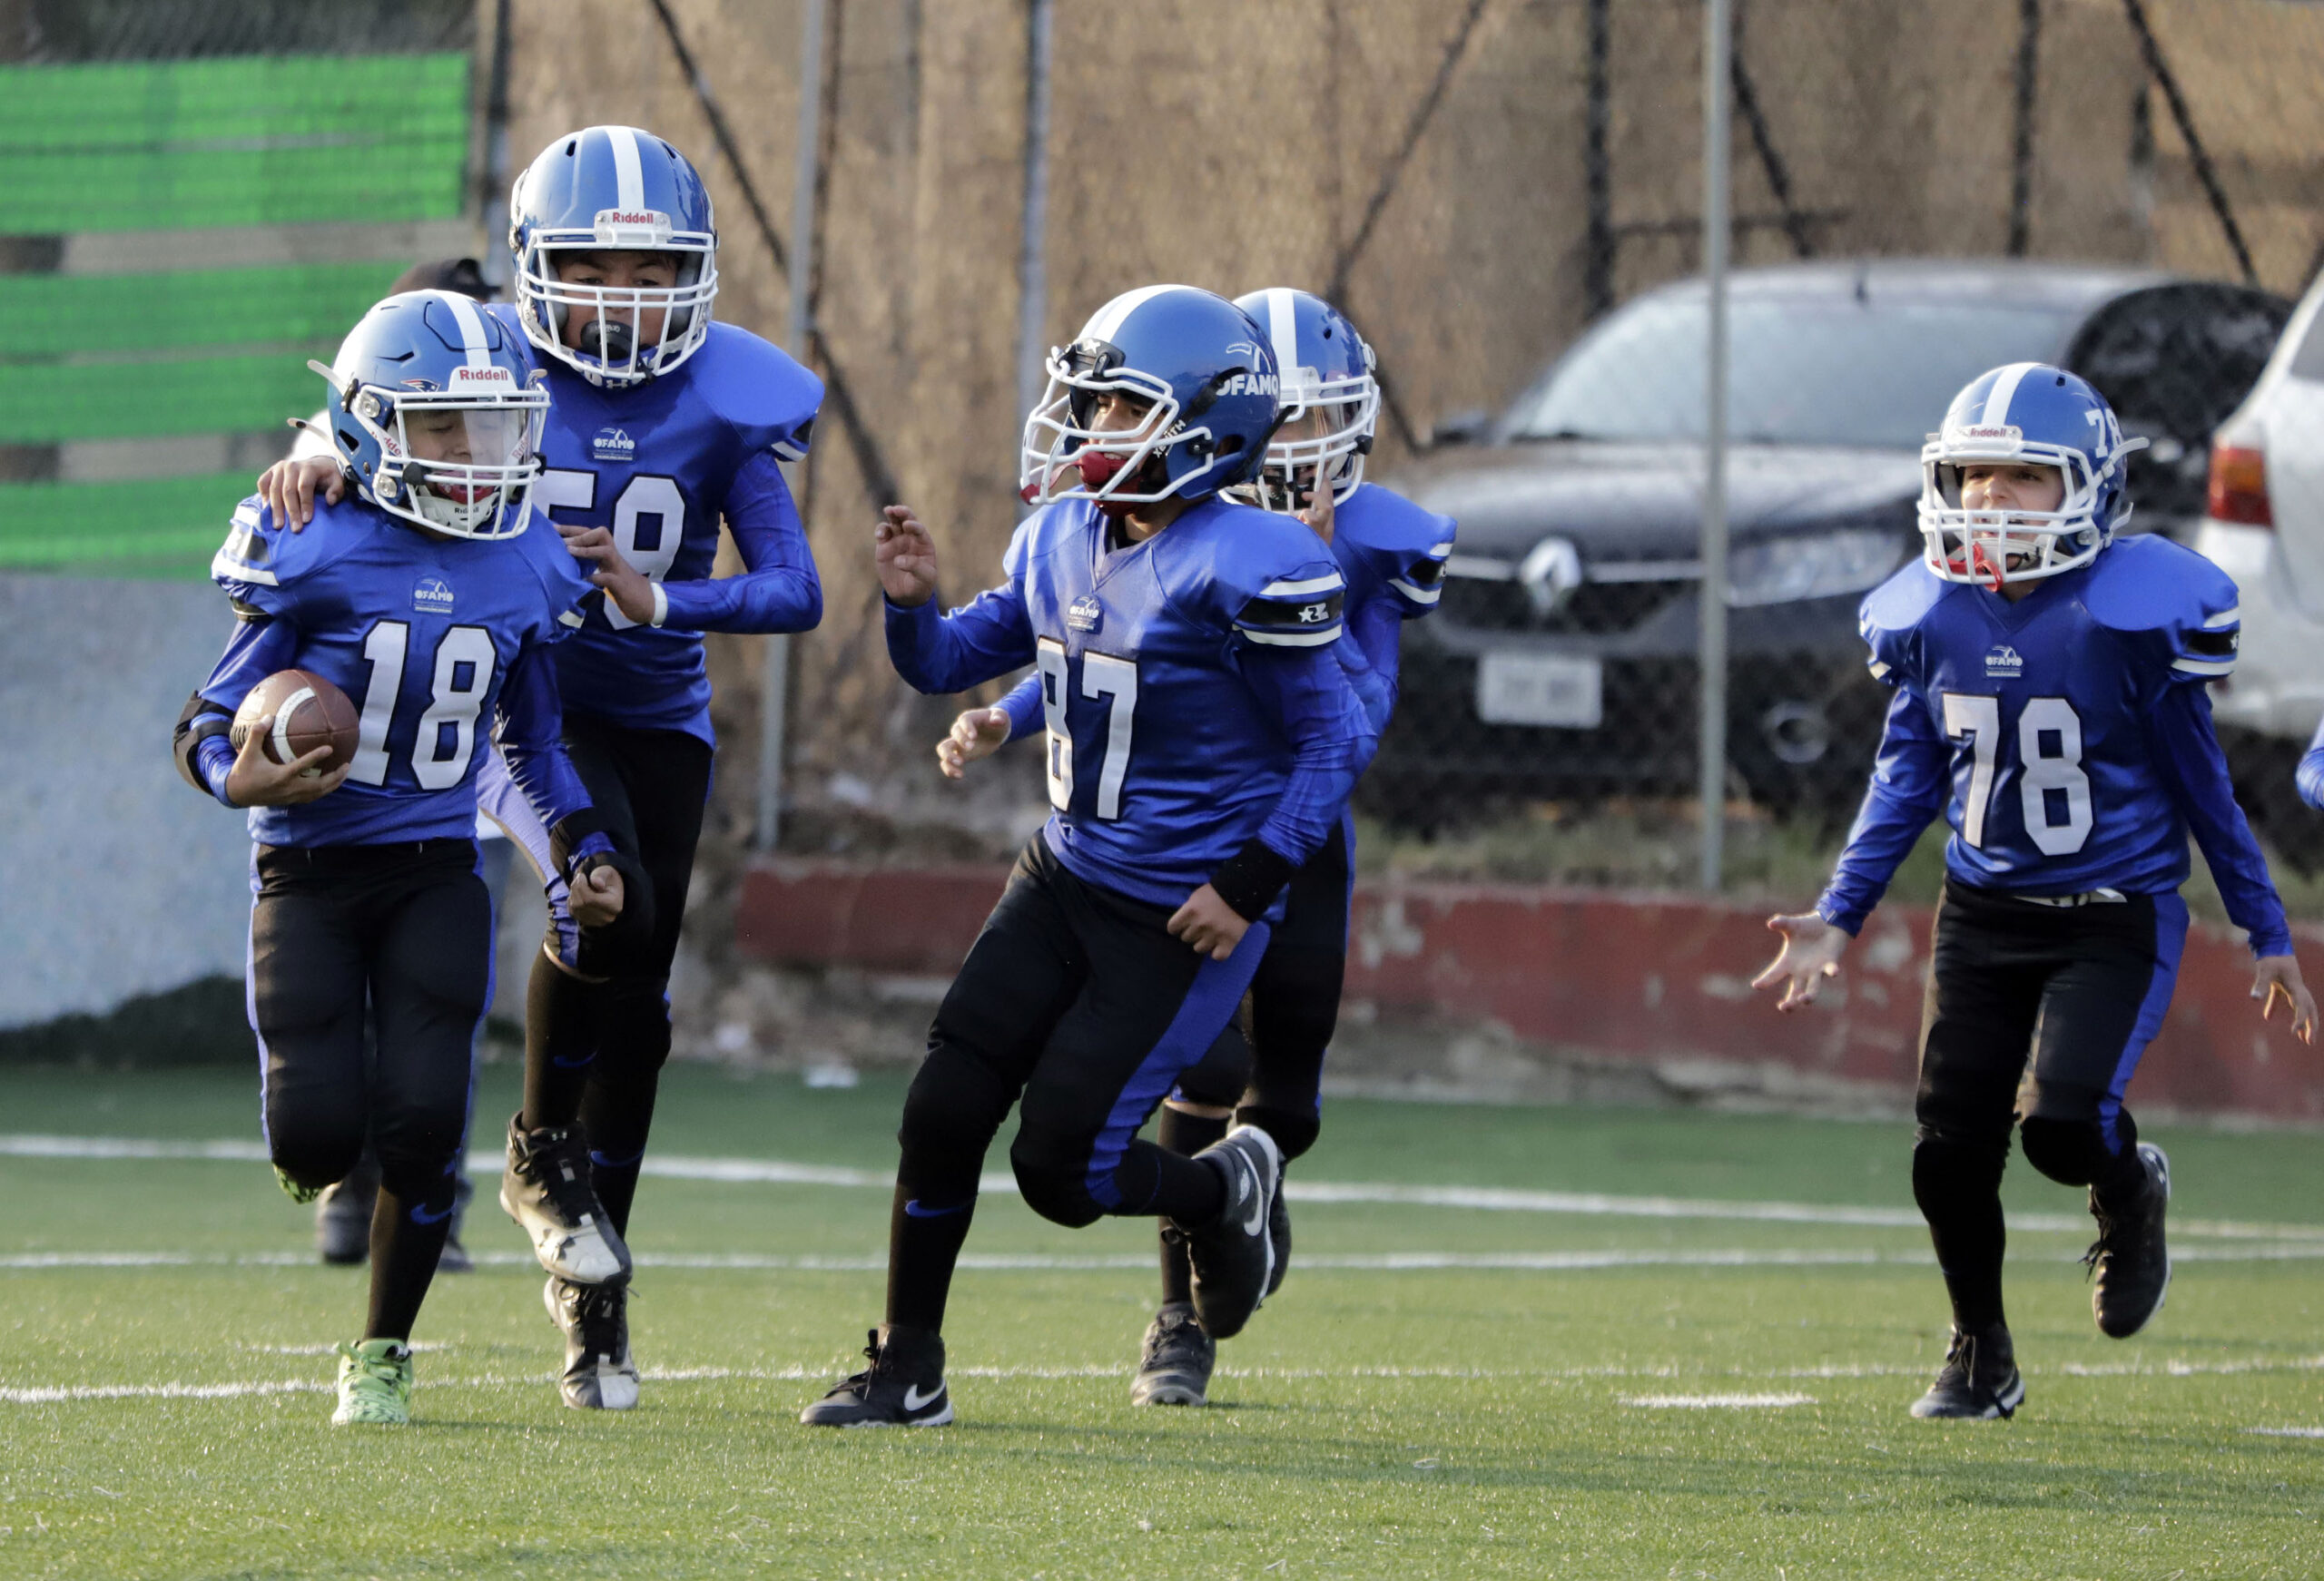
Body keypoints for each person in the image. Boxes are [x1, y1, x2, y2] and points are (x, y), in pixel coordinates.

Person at [255, 125, 825, 1413]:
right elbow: (377, 408)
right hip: (527, 706)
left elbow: (796, 589)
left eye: (648, 268)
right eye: (593, 265)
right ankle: (531, 1156)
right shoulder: (490, 354)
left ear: (696, 271)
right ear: (533, 264)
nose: (622, 296)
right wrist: (320, 447)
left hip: (661, 713)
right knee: (594, 894)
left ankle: (594, 1283)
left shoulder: (729, 398)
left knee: (644, 1009)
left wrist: (658, 595)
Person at [798, 284, 1374, 1428]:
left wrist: (1249, 882)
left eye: (1116, 405)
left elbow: (1335, 737)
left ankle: (1221, 1188)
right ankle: (907, 1364)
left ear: (1204, 426)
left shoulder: (1249, 560)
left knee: (1063, 1174)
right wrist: (910, 609)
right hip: (1062, 876)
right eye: (1090, 400)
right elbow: (956, 655)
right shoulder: (1061, 532)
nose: (1086, 425)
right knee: (942, 1104)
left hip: (1178, 911)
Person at [1752, 362, 2318, 1421]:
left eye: (2024, 479)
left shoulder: (2126, 616)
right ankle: (1980, 1350)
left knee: (2061, 1128)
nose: (1990, 502)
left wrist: (2263, 926)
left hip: (2117, 914)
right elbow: (1904, 776)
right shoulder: (1932, 615)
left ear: (2090, 492)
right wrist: (1838, 913)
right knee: (1945, 1151)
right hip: (1982, 912)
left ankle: (2128, 1183)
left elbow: (2206, 787)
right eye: (1973, 476)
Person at [938, 288, 1454, 1407]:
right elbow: (1099, 655)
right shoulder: (1157, 523)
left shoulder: (1352, 542)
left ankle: (1242, 1200)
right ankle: (1176, 1316)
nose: (1297, 448)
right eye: (1287, 419)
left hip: (1295, 837)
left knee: (1290, 1097)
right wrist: (1011, 715)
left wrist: (1311, 577)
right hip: (1179, 852)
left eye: (1322, 423)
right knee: (1199, 1072)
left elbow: (1352, 727)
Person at [175, 290, 631, 1425]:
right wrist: (240, 775)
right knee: (319, 1133)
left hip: (436, 865)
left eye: (491, 429)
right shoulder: (313, 540)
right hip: (308, 871)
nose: (475, 458)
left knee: (426, 1127)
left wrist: (580, 844)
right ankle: (310, 1150)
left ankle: (382, 1348)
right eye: (441, 430)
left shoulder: (528, 562)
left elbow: (530, 743)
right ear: (371, 428)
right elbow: (203, 718)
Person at [303, 259, 503, 1277]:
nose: (473, 434)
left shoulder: (527, 433)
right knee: (347, 996)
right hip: (362, 774)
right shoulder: (334, 472)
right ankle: (344, 1179)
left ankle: (431, 1193)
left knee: (436, 1000)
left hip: (488, 741)